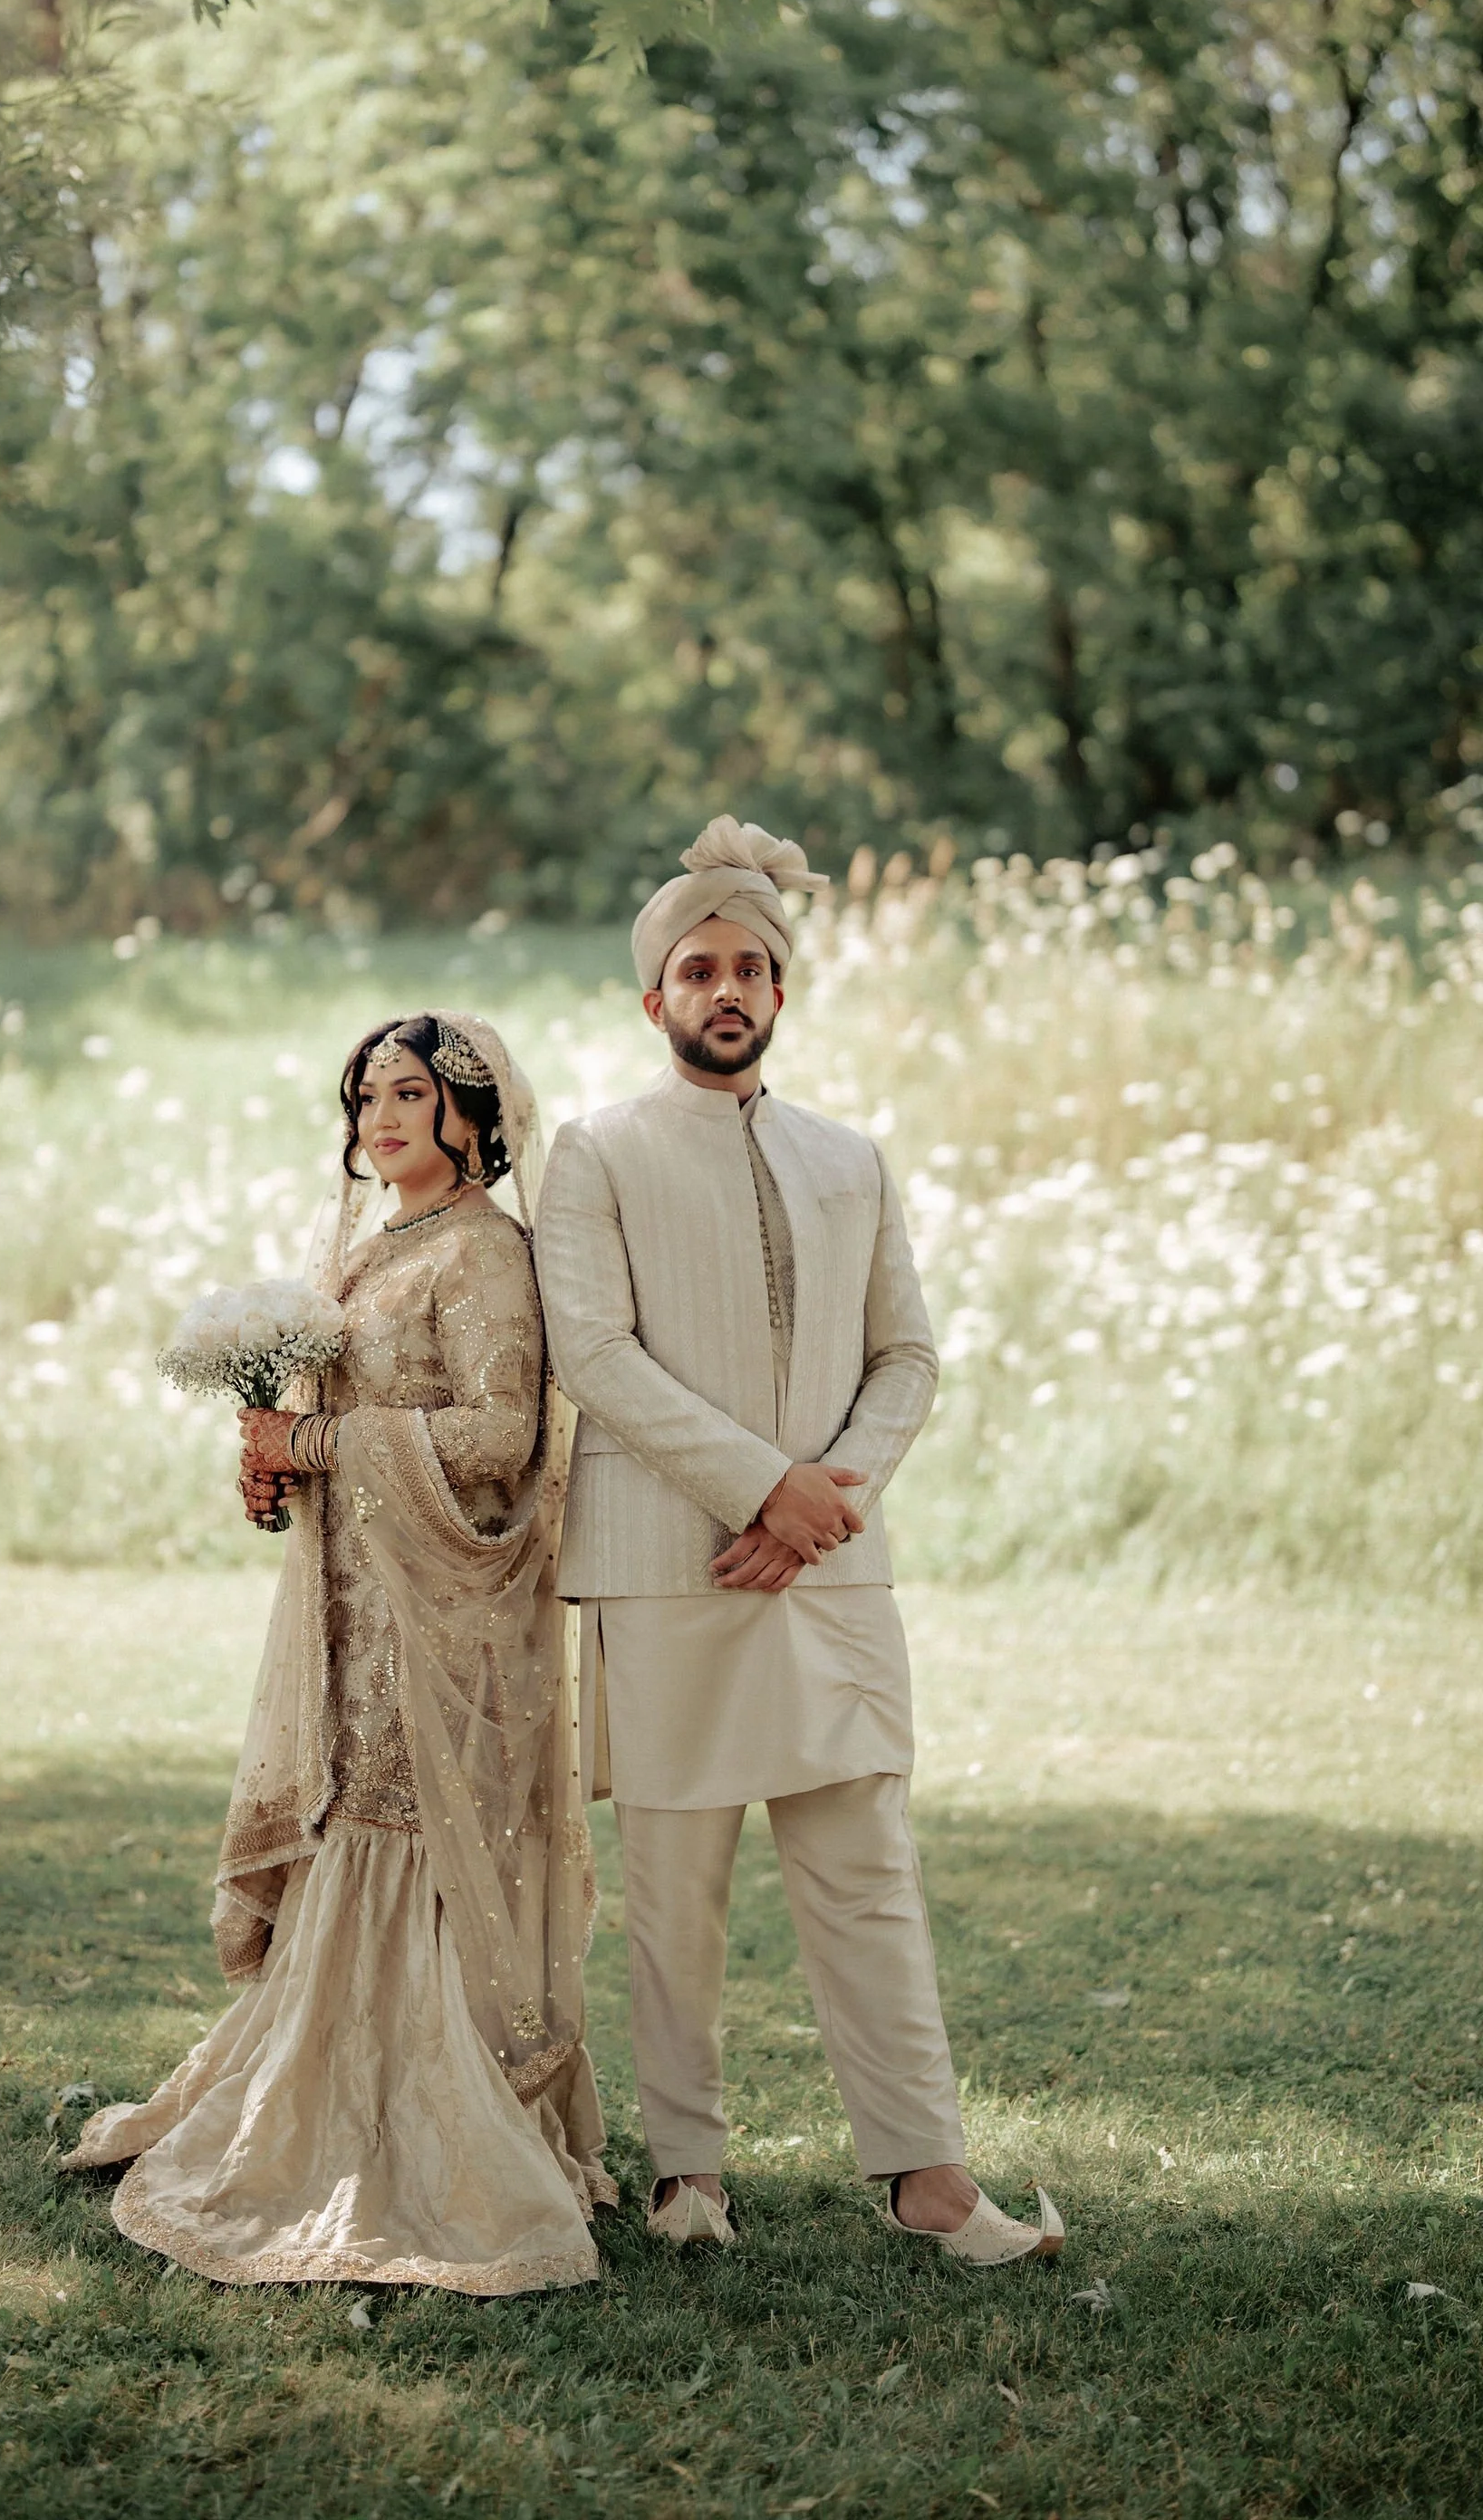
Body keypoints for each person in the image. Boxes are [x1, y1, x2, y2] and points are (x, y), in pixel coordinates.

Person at [534, 817, 1064, 2265]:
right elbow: (592, 1350)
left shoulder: (853, 1157)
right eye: (697, 967)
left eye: (749, 968)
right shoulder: (595, 1153)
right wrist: (763, 1486)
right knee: (675, 1893)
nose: (725, 988)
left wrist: (829, 1495)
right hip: (668, 1564)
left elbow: (910, 1358)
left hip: (831, 1569)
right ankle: (686, 2178)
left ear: (781, 995)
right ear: (653, 999)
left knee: (867, 1874)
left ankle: (931, 2179)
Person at [63, 1010, 615, 2295]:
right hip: (352, 1609)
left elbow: (498, 1439)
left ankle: (441, 2128)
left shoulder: (482, 1255)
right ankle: (320, 2091)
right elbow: (345, 1422)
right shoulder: (372, 1249)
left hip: (440, 1619)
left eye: (411, 1096)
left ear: (472, 1118)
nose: (382, 1118)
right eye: (368, 1095)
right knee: (349, 1814)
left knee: (416, 1824)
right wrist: (278, 1469)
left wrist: (315, 1449)